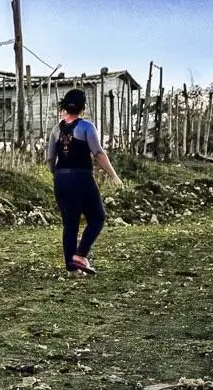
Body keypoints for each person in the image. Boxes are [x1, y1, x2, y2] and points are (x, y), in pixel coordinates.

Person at [47, 89, 123, 275]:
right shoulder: (87, 127)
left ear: (64, 106)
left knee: (70, 223)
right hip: (82, 177)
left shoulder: (56, 130)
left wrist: (57, 175)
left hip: (61, 179)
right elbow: (98, 153)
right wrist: (113, 175)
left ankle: (71, 268)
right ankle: (81, 255)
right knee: (97, 217)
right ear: (83, 107)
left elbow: (50, 159)